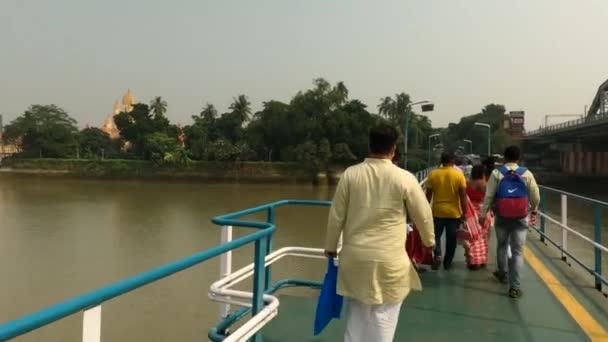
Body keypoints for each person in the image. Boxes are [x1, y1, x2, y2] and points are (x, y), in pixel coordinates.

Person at [324, 124, 435, 342]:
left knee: (356, 317)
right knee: (384, 317)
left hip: (356, 260)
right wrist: (429, 242)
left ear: (369, 145)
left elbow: (336, 215)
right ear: (393, 149)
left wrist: (330, 247)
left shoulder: (350, 175)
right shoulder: (404, 178)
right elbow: (423, 215)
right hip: (390, 261)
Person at [481, 146, 540, 298]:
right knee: (517, 251)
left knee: (502, 245)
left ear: (504, 158)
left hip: (501, 215)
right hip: (521, 216)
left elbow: (488, 196)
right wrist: (534, 209)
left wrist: (483, 214)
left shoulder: (496, 173)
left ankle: (503, 274)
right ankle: (514, 287)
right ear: (518, 158)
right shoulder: (526, 173)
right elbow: (535, 195)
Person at [426, 151, 467, 271]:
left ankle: (438, 254)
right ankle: (447, 263)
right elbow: (463, 196)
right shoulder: (459, 175)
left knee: (436, 236)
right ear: (452, 161)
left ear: (441, 161)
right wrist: (464, 213)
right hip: (453, 213)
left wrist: (426, 211)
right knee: (451, 240)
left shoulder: (433, 174)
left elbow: (428, 196)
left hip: (437, 212)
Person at [463, 164, 491, 269]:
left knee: (472, 237)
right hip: (483, 212)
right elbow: (489, 199)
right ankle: (482, 260)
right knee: (483, 237)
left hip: (470, 214)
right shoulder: (486, 184)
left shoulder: (467, 184)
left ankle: (473, 261)